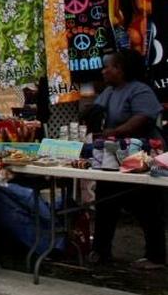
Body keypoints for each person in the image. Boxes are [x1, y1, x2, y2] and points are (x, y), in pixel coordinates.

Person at [90, 49, 165, 269]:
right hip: (115, 155)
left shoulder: (140, 91)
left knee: (147, 205)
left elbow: (141, 118)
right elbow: (97, 109)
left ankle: (156, 256)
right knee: (105, 200)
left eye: (108, 67)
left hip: (144, 156)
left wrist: (114, 132)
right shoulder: (110, 91)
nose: (104, 71)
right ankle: (101, 251)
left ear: (120, 70)